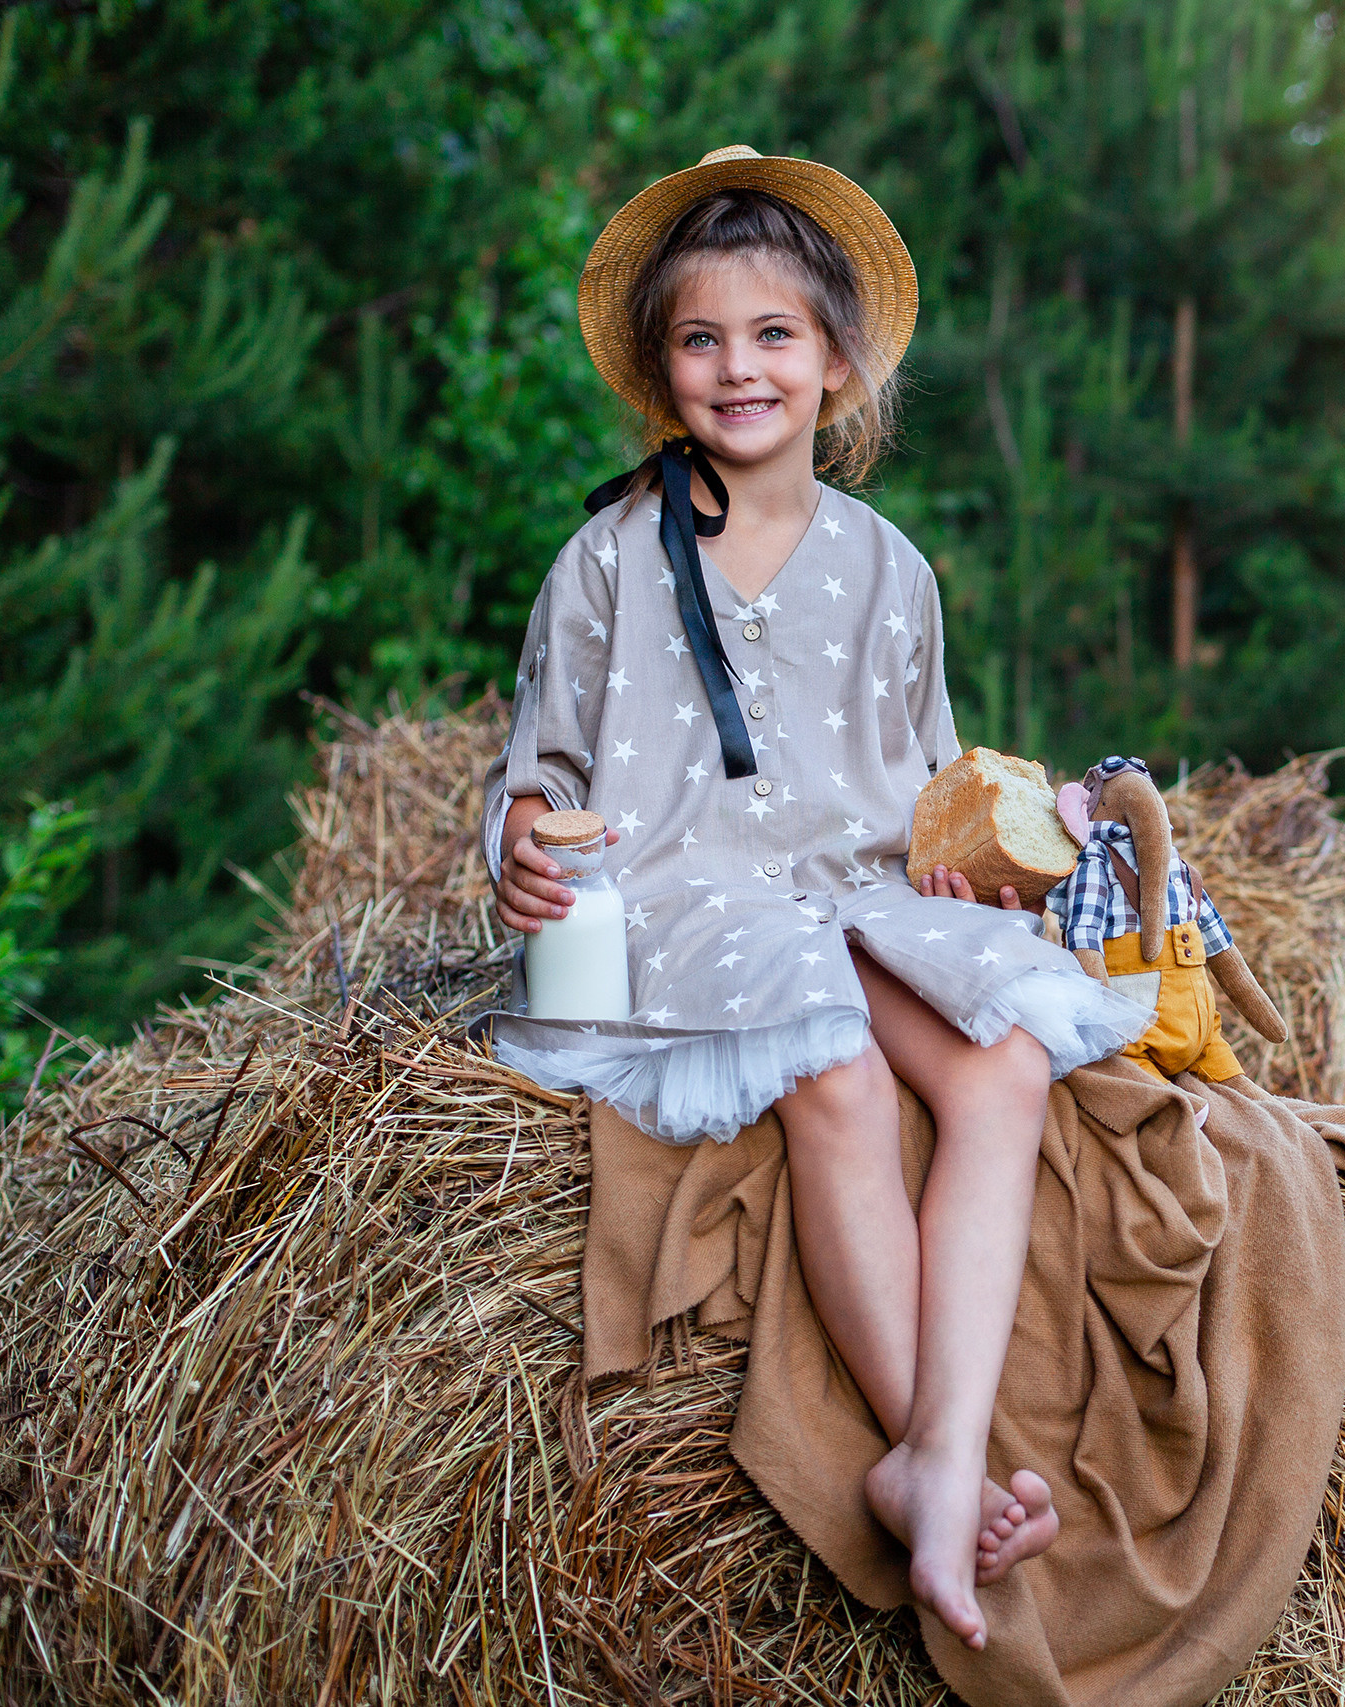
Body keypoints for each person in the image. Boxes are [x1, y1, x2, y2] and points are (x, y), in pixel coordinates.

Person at [479, 147, 1147, 1650]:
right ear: (662, 371)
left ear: (838, 362)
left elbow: (922, 787)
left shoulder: (890, 569)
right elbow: (546, 761)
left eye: (775, 333)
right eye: (702, 337)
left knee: (1005, 1058)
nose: (740, 366)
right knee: (832, 1061)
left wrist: (1003, 842)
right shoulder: (601, 564)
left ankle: (938, 1448)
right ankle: (937, 1448)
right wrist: (522, 838)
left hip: (847, 883)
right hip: (676, 891)